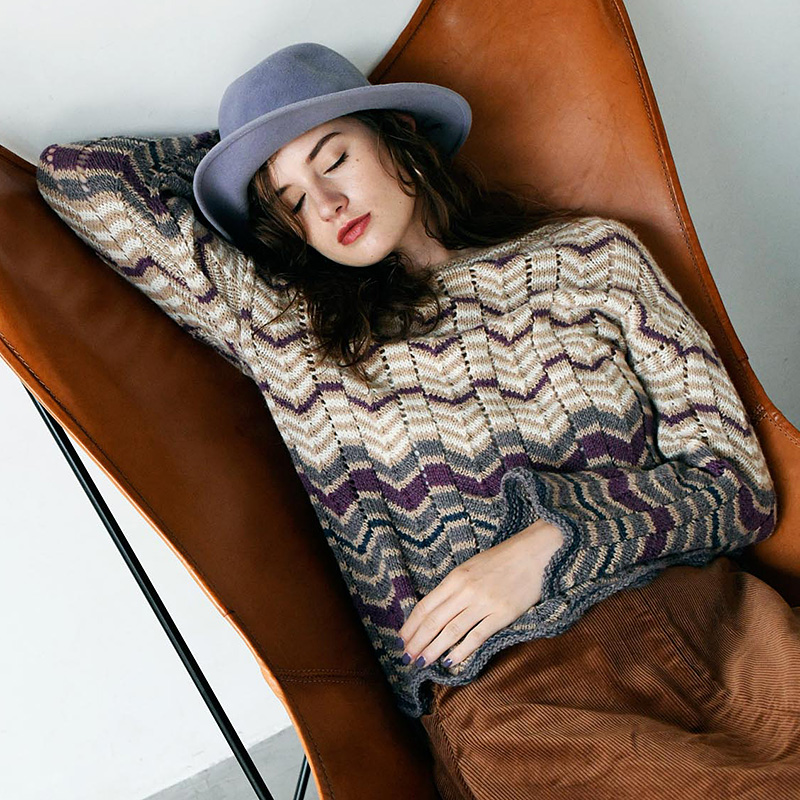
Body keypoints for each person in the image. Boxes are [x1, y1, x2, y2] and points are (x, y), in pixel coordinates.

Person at [37, 42, 800, 800]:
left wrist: (552, 542)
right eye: (291, 203)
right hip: (524, 697)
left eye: (334, 158)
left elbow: (736, 485)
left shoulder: (593, 256)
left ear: (399, 132)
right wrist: (243, 156)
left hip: (718, 626)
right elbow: (81, 178)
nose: (325, 205)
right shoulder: (293, 336)